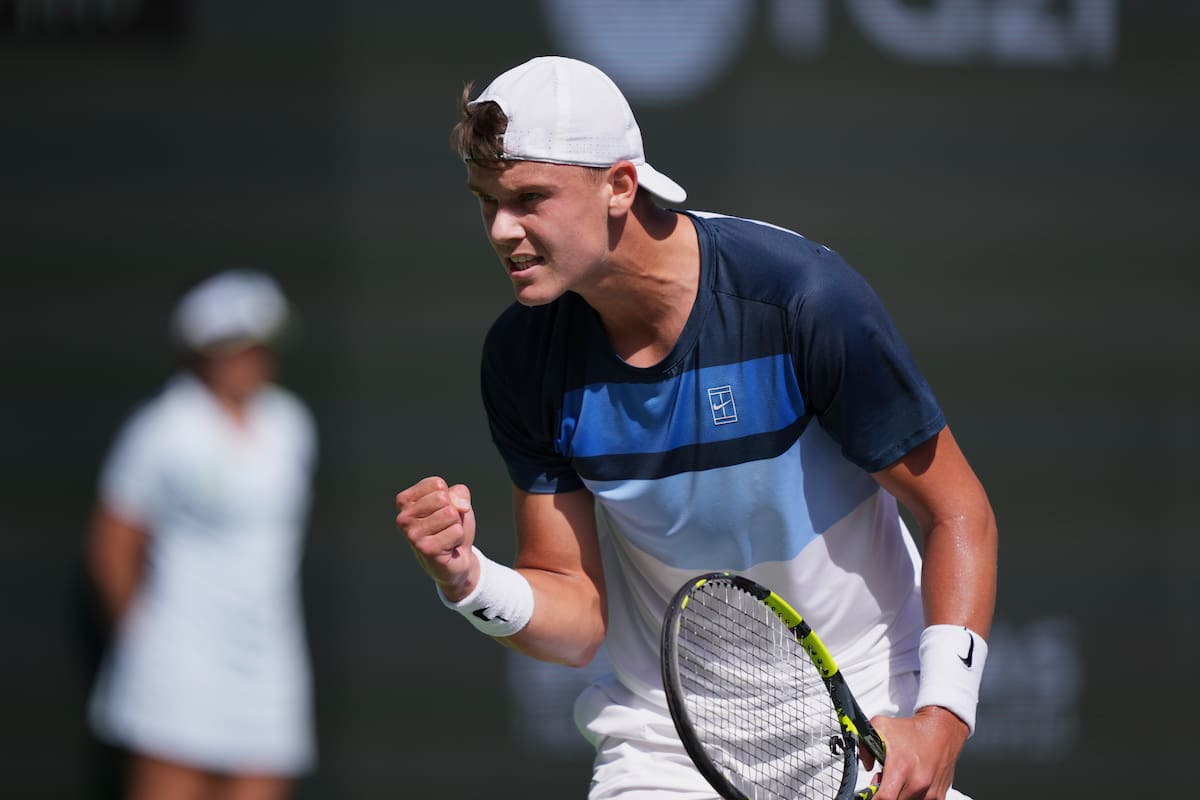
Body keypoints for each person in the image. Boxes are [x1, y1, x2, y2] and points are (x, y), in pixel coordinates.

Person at [395, 55, 997, 800]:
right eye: (486, 202)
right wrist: (468, 578)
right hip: (665, 747)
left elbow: (959, 512)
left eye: (529, 198)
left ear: (619, 185)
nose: (502, 230)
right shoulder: (523, 355)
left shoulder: (801, 300)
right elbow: (577, 613)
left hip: (869, 713)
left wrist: (939, 723)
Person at [87, 269, 319, 800]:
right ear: (206, 350)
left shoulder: (291, 424)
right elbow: (114, 542)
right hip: (177, 655)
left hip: (270, 656)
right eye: (239, 346)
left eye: (262, 346)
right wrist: (144, 641)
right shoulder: (162, 428)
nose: (254, 360)